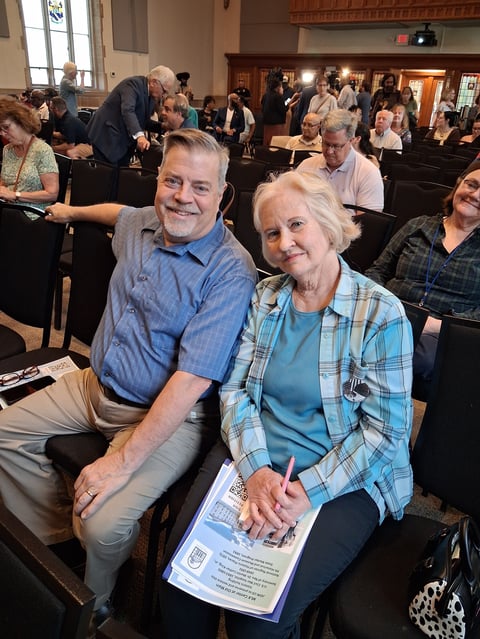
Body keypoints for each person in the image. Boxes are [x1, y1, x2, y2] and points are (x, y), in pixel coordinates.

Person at [0, 129, 257, 632]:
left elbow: (190, 382)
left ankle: (94, 602)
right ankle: (56, 546)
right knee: (3, 436)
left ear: (223, 195)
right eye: (173, 180)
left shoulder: (231, 272)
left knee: (102, 523)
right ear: (157, 181)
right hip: (93, 383)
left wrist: (121, 461)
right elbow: (117, 213)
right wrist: (72, 212)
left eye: (200, 187)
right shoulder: (143, 222)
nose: (183, 197)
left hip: (165, 416)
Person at [160, 169, 414, 639]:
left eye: (297, 225)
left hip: (345, 478)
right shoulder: (266, 297)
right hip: (255, 456)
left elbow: (385, 435)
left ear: (328, 224)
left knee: (255, 622)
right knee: (181, 587)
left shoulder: (381, 314)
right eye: (272, 233)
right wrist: (256, 471)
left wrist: (307, 492)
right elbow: (234, 391)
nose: (285, 242)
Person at [366, 165, 480, 399]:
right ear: (459, 184)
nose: (475, 195)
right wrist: (383, 306)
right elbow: (377, 271)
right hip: (387, 317)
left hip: (441, 335)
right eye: (472, 184)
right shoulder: (418, 226)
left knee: (400, 358)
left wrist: (444, 326)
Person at [86, 65, 175, 166]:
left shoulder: (151, 96)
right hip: (107, 136)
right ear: (154, 82)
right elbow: (128, 110)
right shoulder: (133, 84)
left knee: (121, 176)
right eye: (164, 90)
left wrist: (162, 127)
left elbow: (142, 121)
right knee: (108, 177)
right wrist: (140, 136)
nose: (164, 95)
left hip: (121, 140)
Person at [297, 109, 384, 211]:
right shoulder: (306, 166)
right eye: (326, 143)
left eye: (336, 146)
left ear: (351, 141)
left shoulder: (368, 173)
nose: (329, 151)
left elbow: (367, 223)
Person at [0, 97, 58, 213]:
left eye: (6, 127)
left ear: (22, 122)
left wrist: (15, 195)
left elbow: (52, 194)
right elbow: (4, 181)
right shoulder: (7, 149)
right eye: (0, 129)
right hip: (10, 210)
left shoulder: (42, 150)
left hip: (32, 214)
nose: (2, 133)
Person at [261, 78, 289, 146]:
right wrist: (287, 105)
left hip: (266, 123)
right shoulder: (278, 96)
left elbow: (262, 107)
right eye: (281, 86)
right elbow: (283, 109)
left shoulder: (265, 95)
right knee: (275, 143)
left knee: (267, 142)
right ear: (278, 87)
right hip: (276, 124)